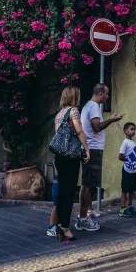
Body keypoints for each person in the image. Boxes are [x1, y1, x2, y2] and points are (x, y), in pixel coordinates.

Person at [78, 84, 123, 232]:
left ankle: (87, 213)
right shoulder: (94, 107)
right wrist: (112, 120)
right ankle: (83, 218)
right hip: (93, 149)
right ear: (100, 93)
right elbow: (96, 127)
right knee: (87, 185)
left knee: (88, 184)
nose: (108, 97)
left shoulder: (88, 106)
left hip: (90, 148)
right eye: (107, 94)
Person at [48, 85, 90, 241]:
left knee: (62, 191)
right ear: (74, 96)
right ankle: (64, 227)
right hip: (71, 156)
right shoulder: (73, 111)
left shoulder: (59, 114)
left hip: (60, 157)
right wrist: (86, 148)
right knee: (69, 192)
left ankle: (60, 225)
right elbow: (79, 131)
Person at [118, 122, 136, 217]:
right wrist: (128, 160)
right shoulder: (125, 142)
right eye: (131, 129)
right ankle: (122, 208)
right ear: (125, 131)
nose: (133, 131)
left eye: (134, 129)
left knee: (132, 190)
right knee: (125, 189)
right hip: (127, 170)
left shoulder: (133, 142)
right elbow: (120, 156)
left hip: (133, 170)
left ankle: (129, 206)